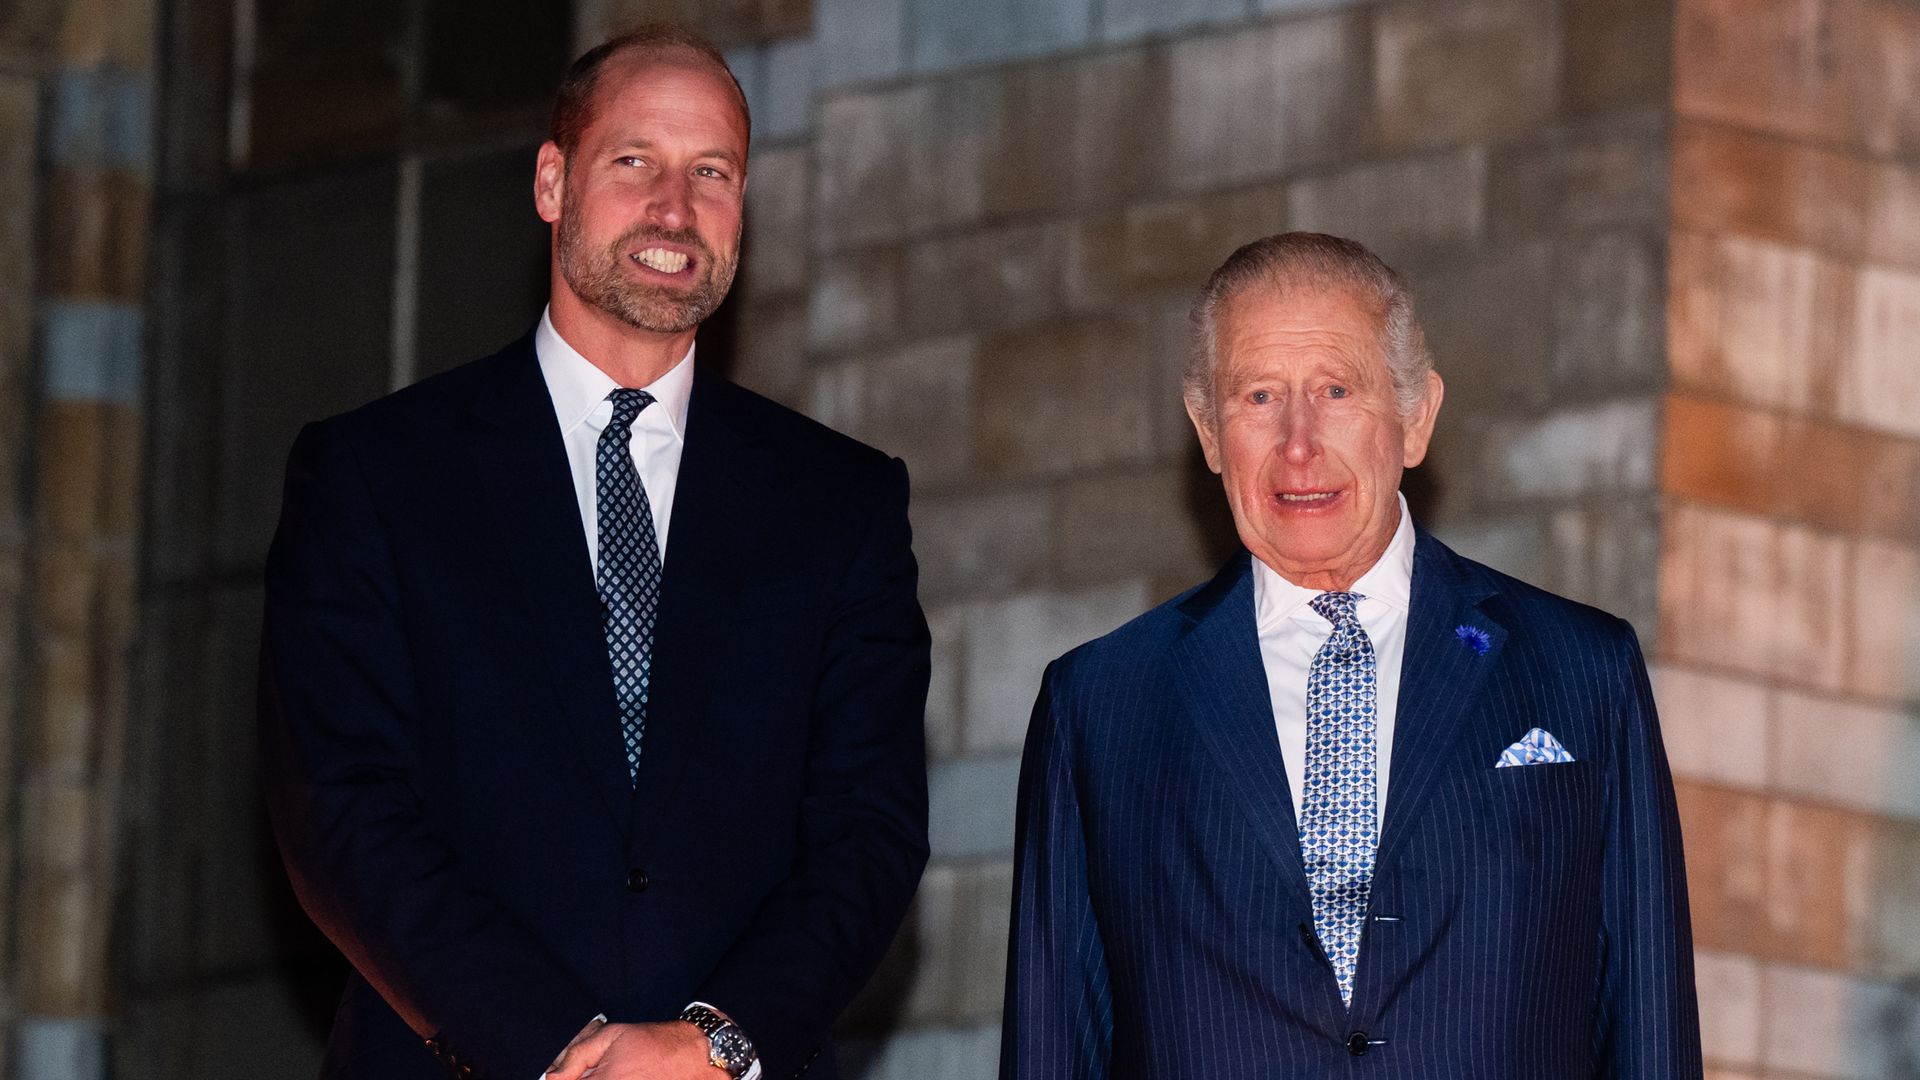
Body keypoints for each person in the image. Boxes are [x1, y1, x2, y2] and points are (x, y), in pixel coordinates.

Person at [258, 25, 930, 1080]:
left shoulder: (840, 503)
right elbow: (340, 808)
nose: (675, 207)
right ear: (551, 183)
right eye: (635, 161)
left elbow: (868, 832)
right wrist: (556, 1047)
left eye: (711, 172)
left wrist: (711, 1045)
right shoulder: (376, 475)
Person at [1000, 232, 1700, 1078]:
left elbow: (1649, 1025)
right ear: (1208, 431)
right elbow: (1052, 1042)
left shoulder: (1582, 671)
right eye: (1259, 395)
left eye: (1336, 390)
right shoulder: (1102, 706)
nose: (1298, 443)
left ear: (1417, 416)